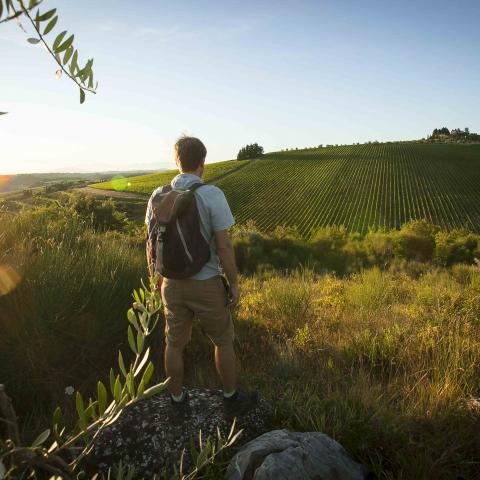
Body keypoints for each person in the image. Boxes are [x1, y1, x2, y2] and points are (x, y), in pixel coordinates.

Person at [145, 135, 258, 416]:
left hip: (169, 283)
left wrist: (155, 280)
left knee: (173, 343)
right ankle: (231, 398)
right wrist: (233, 283)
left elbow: (151, 243)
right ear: (202, 162)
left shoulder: (157, 196)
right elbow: (224, 245)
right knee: (222, 340)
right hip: (206, 283)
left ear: (177, 161)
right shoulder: (211, 195)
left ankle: (176, 400)